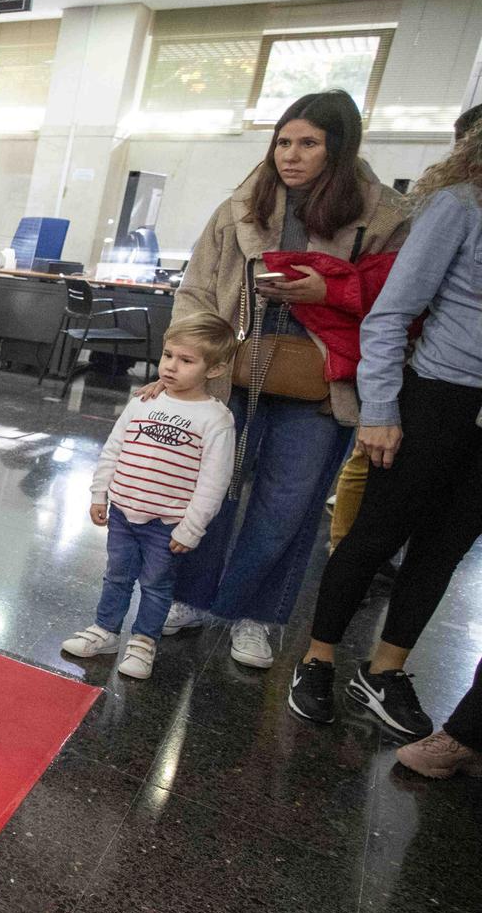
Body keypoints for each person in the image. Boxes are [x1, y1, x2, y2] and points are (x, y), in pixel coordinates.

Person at [157, 90, 410, 669]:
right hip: (231, 370)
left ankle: (256, 614)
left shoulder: (385, 217)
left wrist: (331, 293)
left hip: (320, 383)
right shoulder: (241, 207)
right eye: (283, 142)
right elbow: (196, 288)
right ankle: (190, 599)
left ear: (338, 148)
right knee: (212, 491)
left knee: (287, 508)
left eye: (309, 144)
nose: (290, 156)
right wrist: (181, 363)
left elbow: (402, 306)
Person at [289, 115, 482, 740]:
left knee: (444, 550)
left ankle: (384, 671)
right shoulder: (459, 206)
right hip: (436, 398)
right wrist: (379, 409)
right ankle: (317, 659)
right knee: (374, 537)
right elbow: (390, 312)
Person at [62, 316, 238, 679]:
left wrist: (191, 528)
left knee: (156, 586)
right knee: (116, 576)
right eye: (168, 355)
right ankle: (106, 631)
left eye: (186, 361)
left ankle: (143, 642)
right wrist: (100, 493)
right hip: (124, 514)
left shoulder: (215, 419)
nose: (171, 366)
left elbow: (214, 481)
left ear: (216, 368)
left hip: (167, 522)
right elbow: (113, 449)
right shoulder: (143, 400)